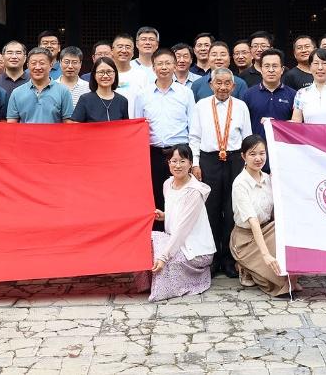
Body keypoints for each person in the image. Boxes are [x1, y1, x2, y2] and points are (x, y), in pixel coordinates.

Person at [189, 67, 252, 279]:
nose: (223, 87)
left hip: (235, 160)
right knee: (211, 210)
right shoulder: (201, 106)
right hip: (209, 160)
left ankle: (229, 259)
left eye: (227, 83)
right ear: (211, 84)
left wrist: (247, 165)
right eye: (219, 83)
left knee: (232, 209)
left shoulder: (241, 106)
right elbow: (194, 137)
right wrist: (195, 163)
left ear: (233, 86)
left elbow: (247, 137)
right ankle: (213, 258)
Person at [132, 51, 197, 217]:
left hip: (180, 152)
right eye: (160, 64)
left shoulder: (186, 93)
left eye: (168, 63)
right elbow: (137, 127)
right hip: (153, 153)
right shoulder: (142, 95)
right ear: (153, 68)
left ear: (175, 66)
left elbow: (194, 127)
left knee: (181, 196)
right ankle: (158, 232)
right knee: (155, 197)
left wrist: (194, 160)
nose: (164, 67)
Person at [148, 145, 216, 302]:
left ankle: (196, 277)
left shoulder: (195, 192)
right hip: (177, 241)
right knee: (148, 244)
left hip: (196, 250)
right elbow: (179, 214)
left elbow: (183, 228)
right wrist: (165, 216)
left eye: (182, 161)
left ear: (191, 163)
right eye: (174, 161)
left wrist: (164, 257)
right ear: (168, 163)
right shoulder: (167, 183)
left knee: (164, 262)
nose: (177, 165)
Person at [230, 135, 291, 297]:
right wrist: (266, 255)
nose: (258, 158)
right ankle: (245, 266)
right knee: (277, 284)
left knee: (288, 278)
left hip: (268, 231)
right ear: (243, 156)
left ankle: (255, 267)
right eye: (252, 154)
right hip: (246, 239)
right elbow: (253, 221)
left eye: (262, 153)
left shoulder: (269, 178)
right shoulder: (240, 183)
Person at [6, 48, 75, 123]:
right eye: (33, 63)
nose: (38, 67)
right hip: (25, 131)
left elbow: (68, 123)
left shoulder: (63, 91)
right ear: (28, 66)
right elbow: (11, 124)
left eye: (42, 63)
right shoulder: (17, 93)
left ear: (51, 65)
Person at [243, 49, 296, 140]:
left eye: (275, 66)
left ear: (282, 70)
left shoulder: (293, 95)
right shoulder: (248, 94)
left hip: (284, 145)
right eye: (267, 66)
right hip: (257, 147)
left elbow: (296, 125)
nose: (271, 70)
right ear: (261, 69)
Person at [72, 57, 130, 122]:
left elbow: (126, 126)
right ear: (94, 75)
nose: (105, 76)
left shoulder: (122, 101)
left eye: (109, 72)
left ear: (115, 74)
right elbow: (76, 125)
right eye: (101, 72)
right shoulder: (85, 99)